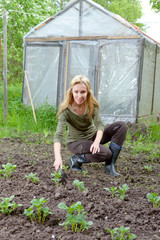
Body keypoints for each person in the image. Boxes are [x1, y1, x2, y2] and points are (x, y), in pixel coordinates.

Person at [53, 75, 127, 176]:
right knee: (106, 153)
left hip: (92, 137)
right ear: (71, 91)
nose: (79, 96)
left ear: (88, 92)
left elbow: (99, 125)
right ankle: (77, 159)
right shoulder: (65, 110)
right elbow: (58, 135)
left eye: (83, 92)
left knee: (120, 126)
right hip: (76, 142)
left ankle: (109, 166)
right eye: (76, 92)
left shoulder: (92, 105)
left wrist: (96, 142)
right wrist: (58, 158)